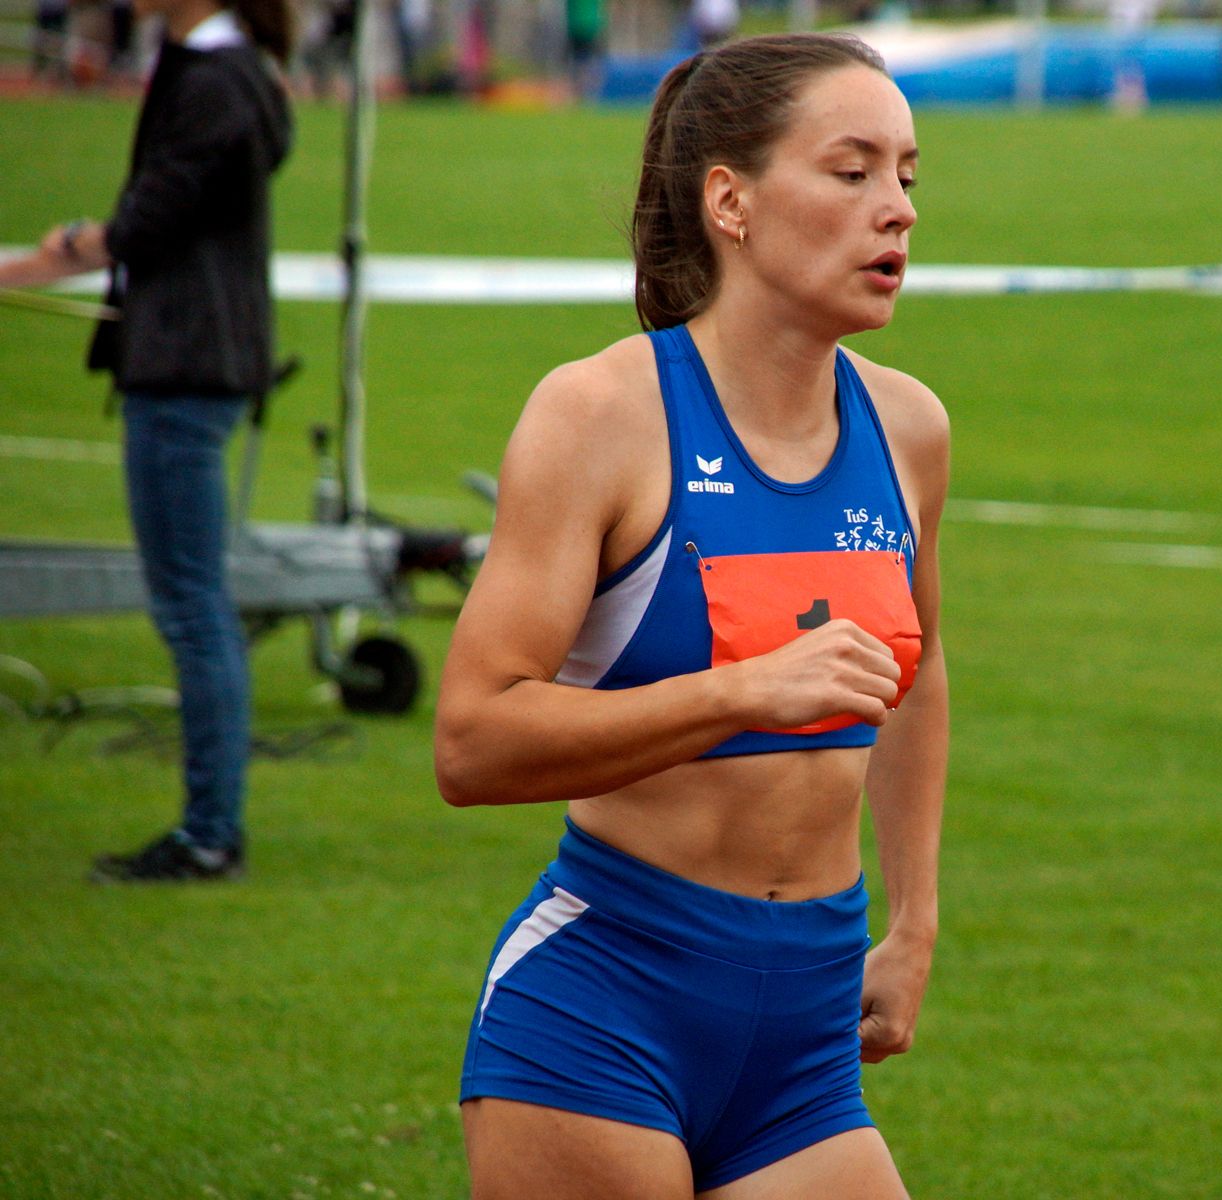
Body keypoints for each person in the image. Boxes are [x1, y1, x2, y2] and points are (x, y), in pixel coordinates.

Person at [435, 33, 949, 1199]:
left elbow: (915, 680)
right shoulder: (598, 416)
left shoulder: (910, 429)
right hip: (605, 1010)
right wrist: (740, 693)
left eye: (908, 175)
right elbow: (471, 741)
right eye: (853, 170)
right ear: (731, 202)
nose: (898, 209)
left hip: (808, 1034)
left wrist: (914, 921)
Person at [0, 0, 293, 882]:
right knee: (196, 606)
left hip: (184, 367)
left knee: (194, 609)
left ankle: (209, 835)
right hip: (192, 361)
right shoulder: (225, 68)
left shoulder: (219, 79)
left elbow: (145, 221)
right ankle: (211, 829)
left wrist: (58, 249)